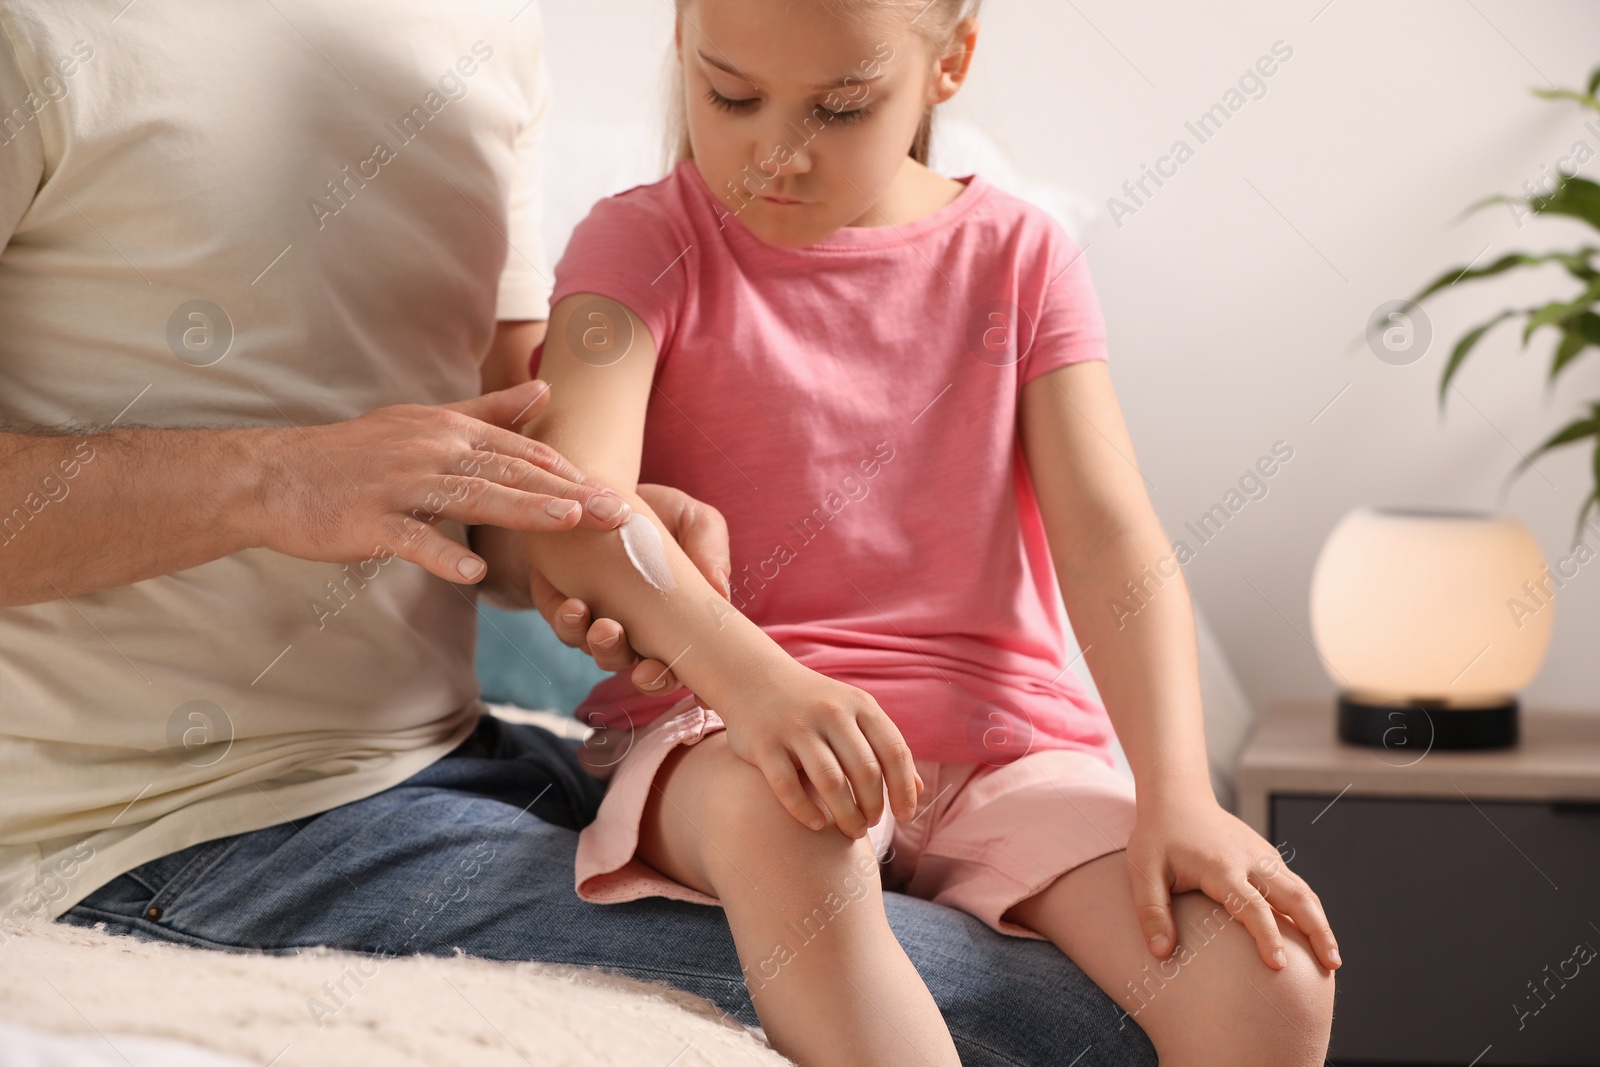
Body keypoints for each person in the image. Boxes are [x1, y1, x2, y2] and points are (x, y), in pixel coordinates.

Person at [0, 2, 1163, 1063]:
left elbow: (513, 485)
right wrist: (271, 476)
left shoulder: (481, 24)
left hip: (445, 754)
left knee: (1183, 960)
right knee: (1063, 1019)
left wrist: (597, 540)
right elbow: (336, 476)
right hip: (173, 819)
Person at [519, 0, 1341, 1063]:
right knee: (794, 817)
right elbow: (572, 508)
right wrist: (762, 687)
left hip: (1004, 752)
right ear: (681, 39)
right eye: (730, 95)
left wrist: (1177, 792)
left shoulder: (1022, 257)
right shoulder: (634, 242)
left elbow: (1109, 537)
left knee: (1266, 971)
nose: (777, 150)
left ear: (949, 61)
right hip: (722, 730)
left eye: (841, 108)